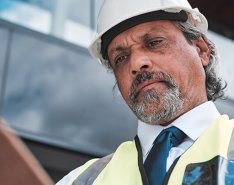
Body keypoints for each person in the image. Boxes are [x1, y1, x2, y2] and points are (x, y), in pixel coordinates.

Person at [57, 0, 234, 184]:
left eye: (154, 42)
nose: (136, 63)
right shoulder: (81, 180)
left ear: (201, 50)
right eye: (121, 58)